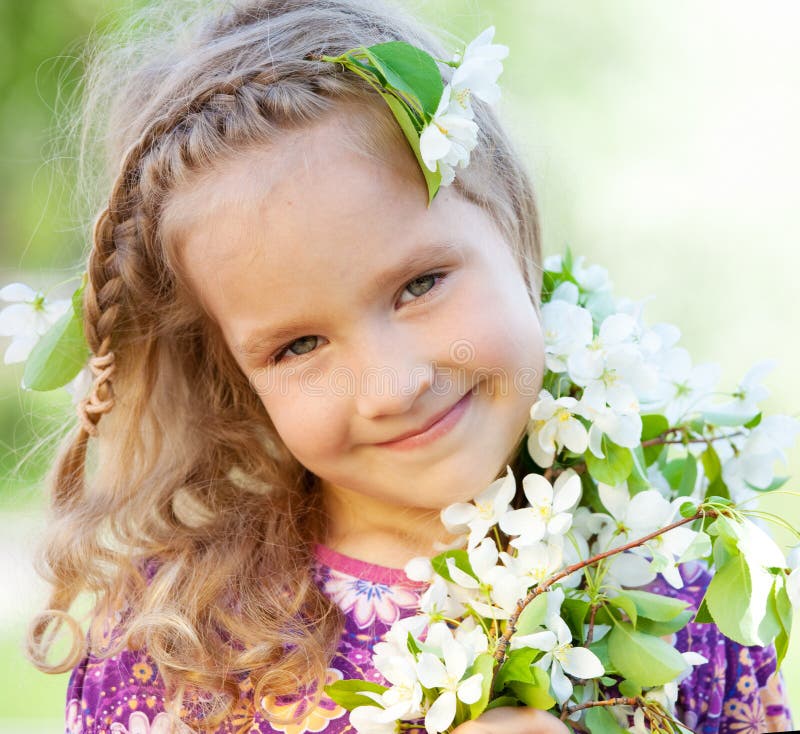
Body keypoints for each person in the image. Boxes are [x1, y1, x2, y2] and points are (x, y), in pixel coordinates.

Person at [22, 1, 792, 732]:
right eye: (299, 346)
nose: (394, 386)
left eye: (419, 285)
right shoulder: (176, 651)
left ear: (514, 230)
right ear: (235, 377)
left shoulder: (686, 609)